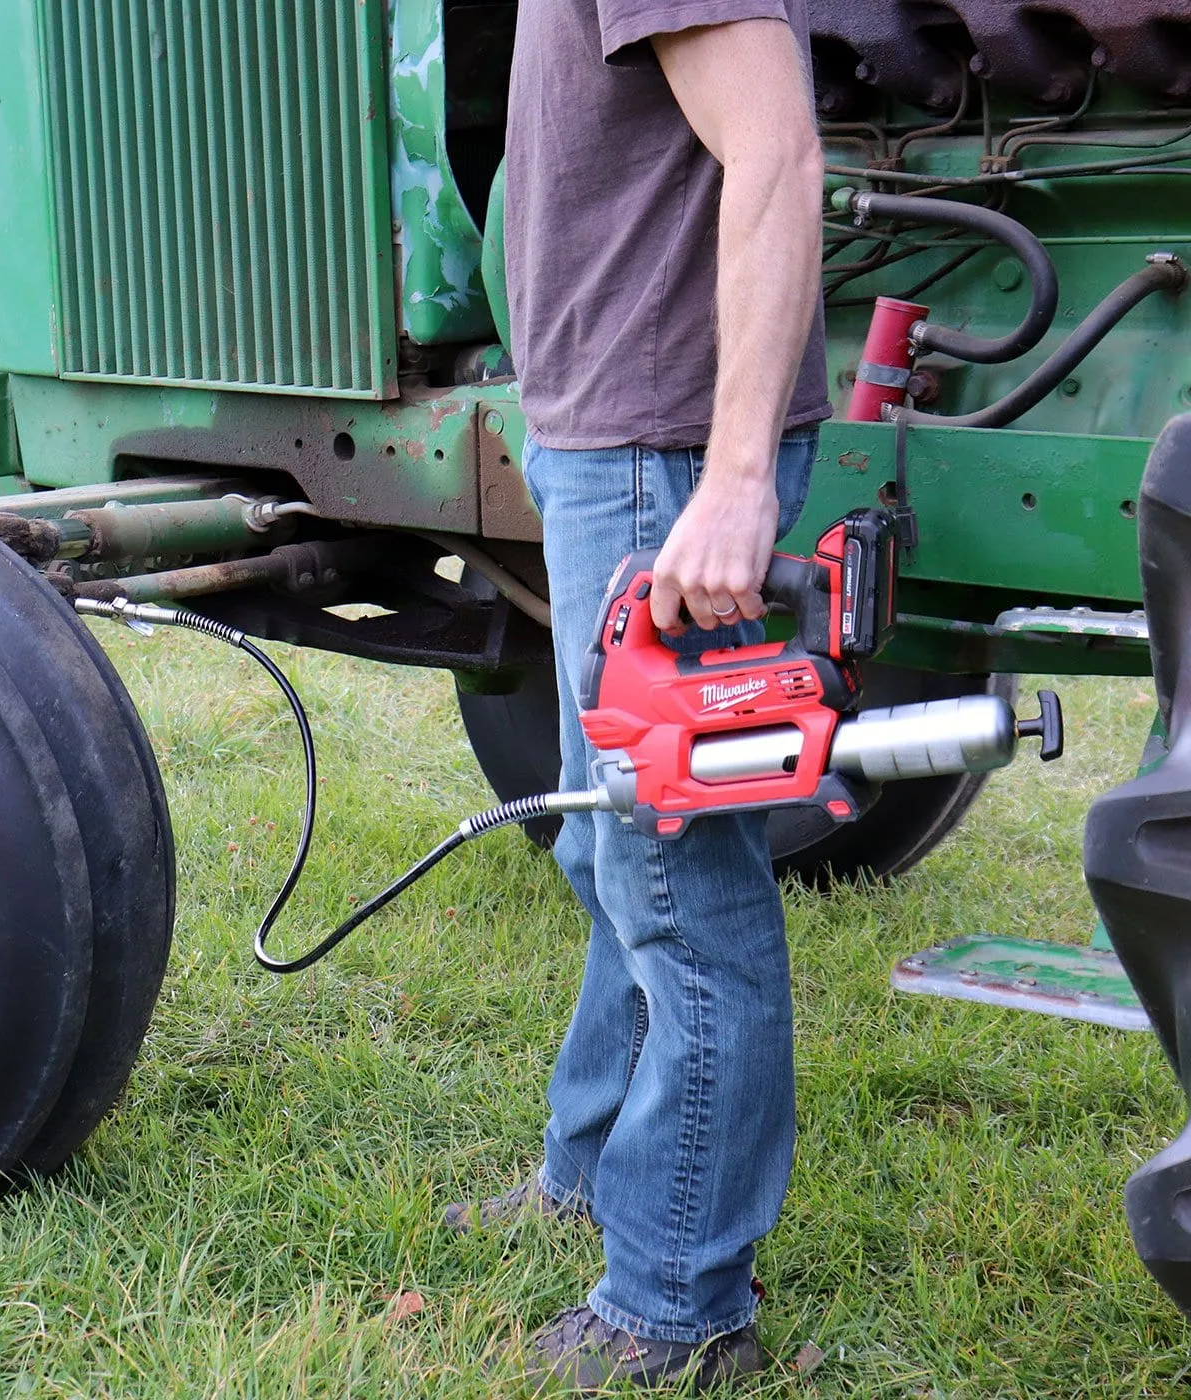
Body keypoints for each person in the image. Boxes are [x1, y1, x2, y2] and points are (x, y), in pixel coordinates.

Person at [444, 1, 832, 1389]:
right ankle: (590, 1166)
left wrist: (731, 484)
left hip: (664, 462)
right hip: (612, 443)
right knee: (611, 843)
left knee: (679, 882)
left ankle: (676, 1300)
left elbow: (777, 154)